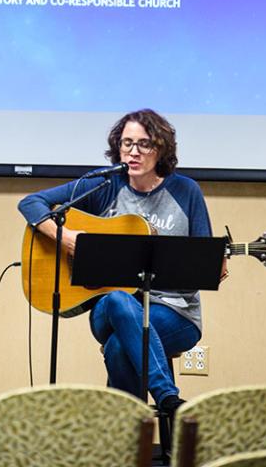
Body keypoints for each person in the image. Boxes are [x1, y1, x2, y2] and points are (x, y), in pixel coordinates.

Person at [18, 108, 228, 417]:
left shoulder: (186, 191)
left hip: (175, 312)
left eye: (144, 144)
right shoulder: (105, 186)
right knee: (119, 298)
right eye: (126, 143)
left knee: (119, 347)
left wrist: (212, 266)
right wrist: (67, 238)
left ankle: (127, 439)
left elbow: (202, 256)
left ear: (161, 149)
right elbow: (31, 203)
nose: (133, 152)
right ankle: (167, 396)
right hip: (110, 309)